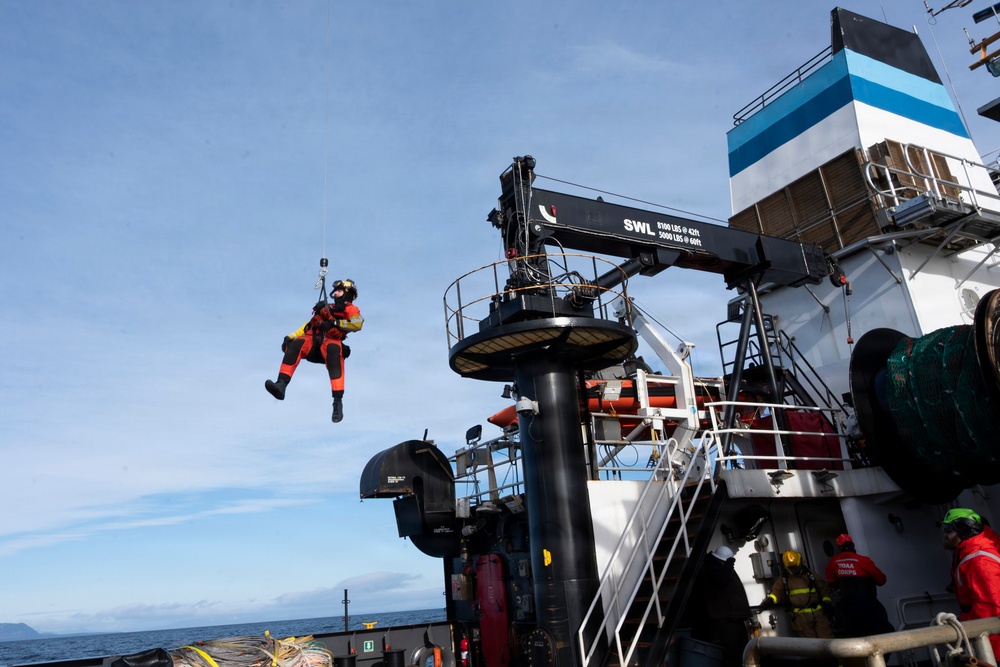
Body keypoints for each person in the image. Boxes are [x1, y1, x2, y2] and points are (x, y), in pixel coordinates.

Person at [265, 279, 363, 423]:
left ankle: (337, 402)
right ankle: (281, 385)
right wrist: (291, 336)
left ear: (347, 294)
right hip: (313, 340)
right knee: (296, 344)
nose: (335, 294)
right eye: (335, 291)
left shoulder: (351, 309)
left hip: (330, 342)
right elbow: (308, 326)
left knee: (334, 350)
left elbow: (357, 324)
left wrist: (334, 322)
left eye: (339, 291)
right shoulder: (326, 307)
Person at [942, 508, 1000, 659]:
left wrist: (983, 651)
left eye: (948, 530)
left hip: (994, 647)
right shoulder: (969, 552)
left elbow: (990, 610)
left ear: (964, 530)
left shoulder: (979, 561)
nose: (945, 534)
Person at [687, 546, 753, 667]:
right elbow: (721, 580)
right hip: (725, 622)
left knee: (740, 653)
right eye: (727, 561)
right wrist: (729, 564)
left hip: (732, 620)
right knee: (732, 656)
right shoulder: (713, 569)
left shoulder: (719, 569)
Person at [824, 534, 894, 637]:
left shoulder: (833, 562)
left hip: (848, 609)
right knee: (881, 633)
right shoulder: (863, 560)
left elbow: (831, 581)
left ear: (839, 547)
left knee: (856, 634)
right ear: (852, 544)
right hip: (868, 607)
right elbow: (881, 580)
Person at [759, 549, 834, 639]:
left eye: (796, 566)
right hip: (801, 617)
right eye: (792, 567)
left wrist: (827, 602)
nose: (795, 569)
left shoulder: (809, 574)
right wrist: (770, 600)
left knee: (827, 641)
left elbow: (823, 588)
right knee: (811, 646)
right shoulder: (784, 577)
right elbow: (777, 591)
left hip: (818, 614)